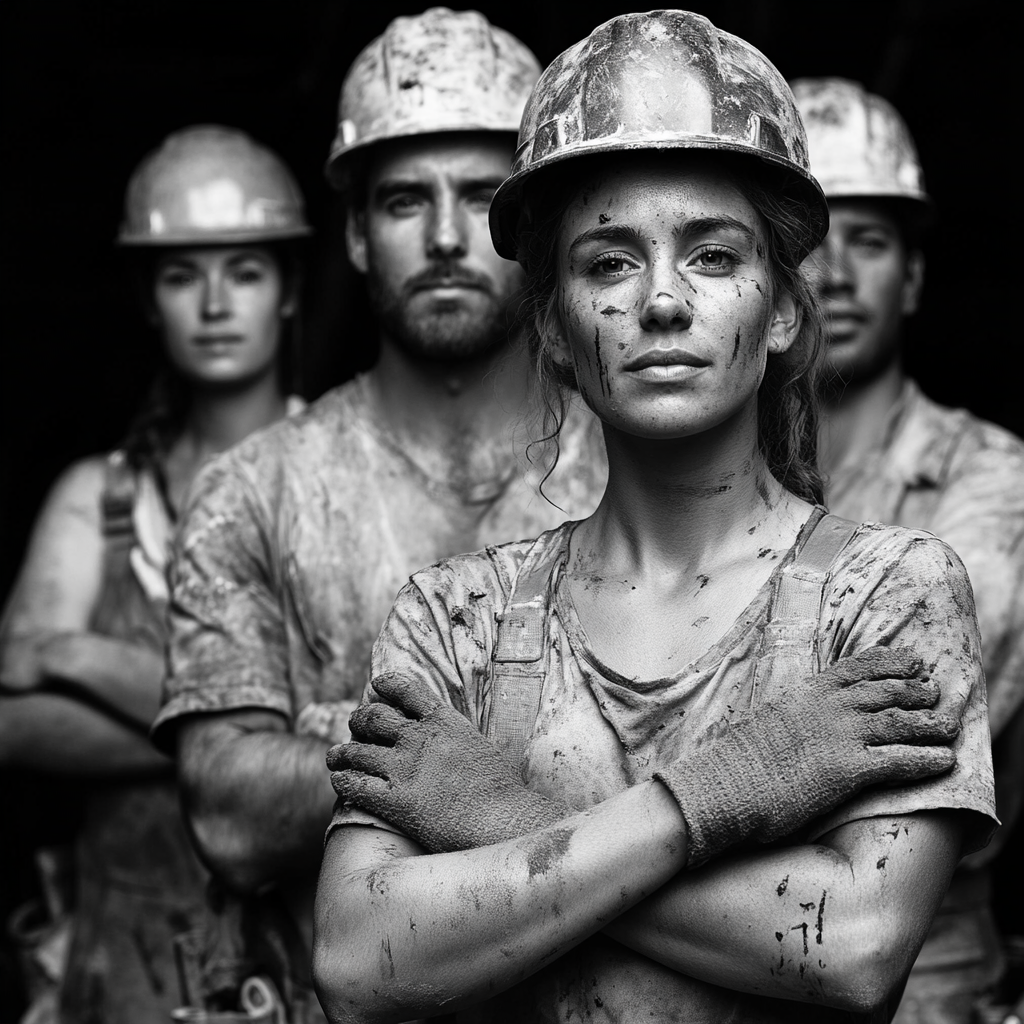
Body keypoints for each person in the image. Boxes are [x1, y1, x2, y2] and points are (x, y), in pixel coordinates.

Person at [314, 12, 998, 1023]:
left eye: (713, 257)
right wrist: (720, 799)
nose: (663, 303)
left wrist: (497, 817)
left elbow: (853, 946)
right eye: (609, 264)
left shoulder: (889, 592)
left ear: (779, 311)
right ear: (551, 323)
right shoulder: (452, 615)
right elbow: (357, 959)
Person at [149, 9, 607, 1021]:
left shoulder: (642, 465)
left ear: (534, 227)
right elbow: (227, 814)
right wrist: (548, 768)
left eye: (481, 196)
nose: (445, 237)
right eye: (405, 200)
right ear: (356, 233)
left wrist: (332, 740)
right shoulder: (254, 486)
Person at [0, 125, 309, 1022]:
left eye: (244, 272)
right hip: (121, 966)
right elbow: (11, 728)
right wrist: (252, 748)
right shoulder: (96, 498)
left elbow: (360, 728)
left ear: (290, 289)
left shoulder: (341, 472)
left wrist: (73, 657)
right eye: (183, 276)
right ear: (148, 296)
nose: (215, 303)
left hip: (299, 964)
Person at [791, 77, 1024, 1024]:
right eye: (811, 244)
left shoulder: (994, 480)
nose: (837, 274)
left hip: (924, 973)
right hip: (711, 968)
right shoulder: (675, 471)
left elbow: (909, 729)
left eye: (872, 243)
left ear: (916, 277)